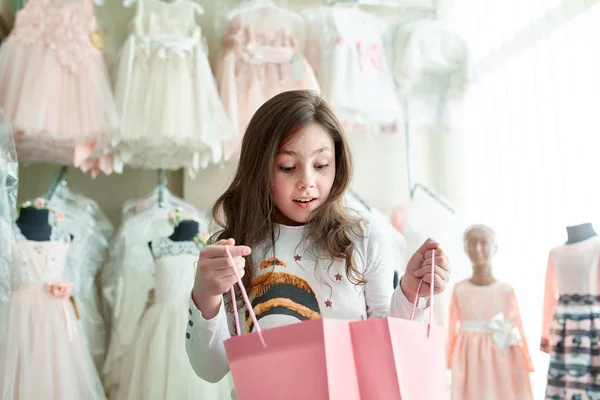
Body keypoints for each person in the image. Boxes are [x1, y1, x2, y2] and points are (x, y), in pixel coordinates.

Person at [185, 90, 451, 383]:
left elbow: (388, 352)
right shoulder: (233, 250)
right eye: (288, 167)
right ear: (259, 169)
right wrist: (206, 294)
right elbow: (211, 369)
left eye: (321, 165)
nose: (307, 182)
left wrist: (411, 295)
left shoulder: (363, 236)